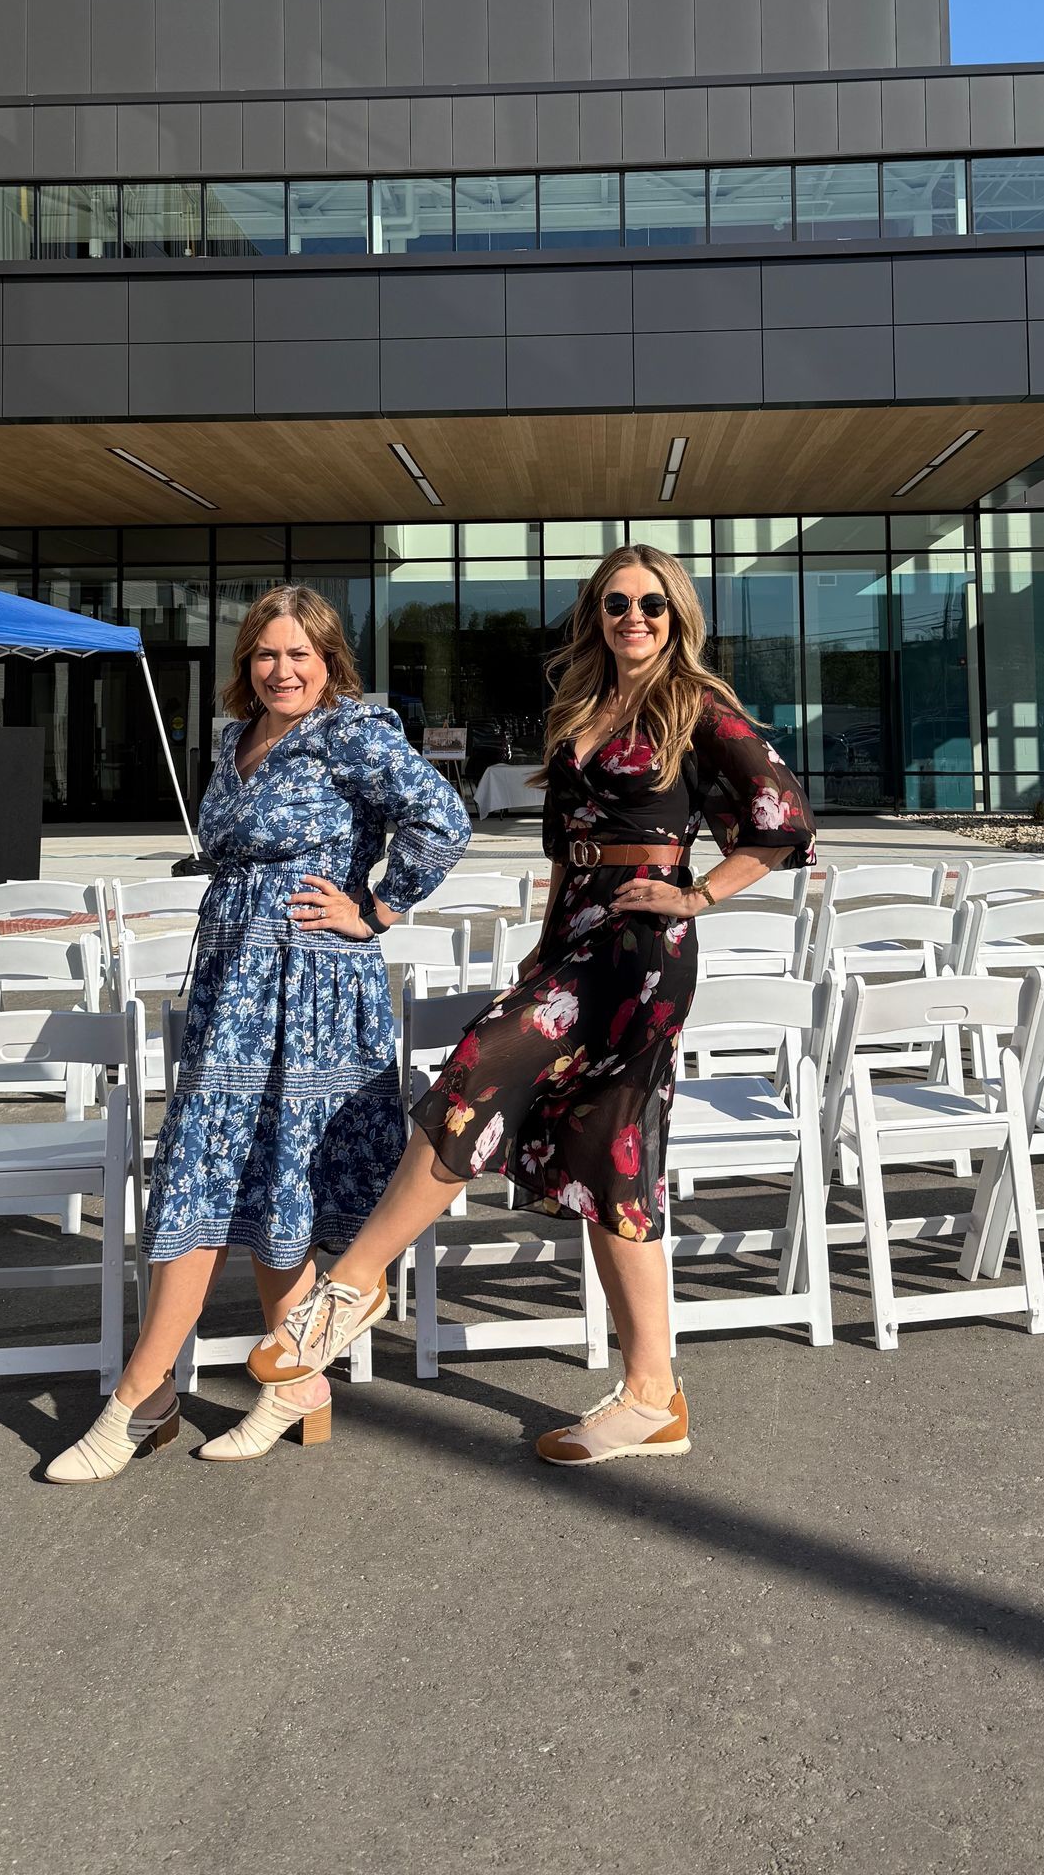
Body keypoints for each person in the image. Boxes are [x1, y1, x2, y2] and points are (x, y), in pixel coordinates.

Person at [245, 542, 814, 1467]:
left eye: (653, 605)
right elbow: (563, 852)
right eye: (617, 603)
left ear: (679, 616)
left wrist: (698, 894)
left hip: (642, 948)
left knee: (480, 1073)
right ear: (595, 614)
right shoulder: (584, 712)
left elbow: (781, 818)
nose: (634, 617)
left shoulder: (697, 707)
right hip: (576, 936)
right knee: (605, 1152)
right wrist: (544, 948)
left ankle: (346, 1292)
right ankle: (653, 1395)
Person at [46, 585, 471, 1481]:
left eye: (301, 655)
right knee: (231, 1174)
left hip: (311, 984)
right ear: (247, 662)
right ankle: (296, 1389)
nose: (283, 670)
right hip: (229, 983)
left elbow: (445, 818)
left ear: (329, 662)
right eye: (267, 654)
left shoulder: (350, 729)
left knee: (270, 1174)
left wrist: (380, 908)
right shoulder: (236, 740)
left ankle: (136, 1398)